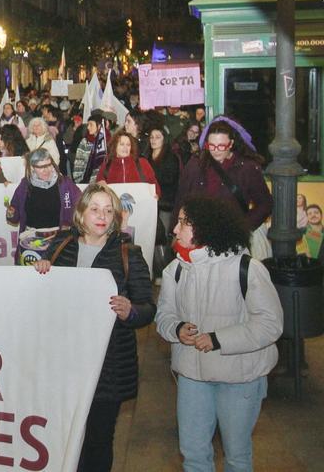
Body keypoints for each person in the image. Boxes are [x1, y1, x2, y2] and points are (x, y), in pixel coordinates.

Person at [34, 183, 155, 472]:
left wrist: (131, 311)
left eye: (109, 210)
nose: (102, 216)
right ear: (81, 213)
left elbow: (147, 308)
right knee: (63, 437)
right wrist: (40, 272)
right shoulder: (62, 244)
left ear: (116, 217)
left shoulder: (129, 253)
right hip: (64, 362)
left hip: (108, 365)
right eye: (95, 209)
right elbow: (42, 299)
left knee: (98, 440)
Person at [155, 196, 282, 472]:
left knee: (236, 456)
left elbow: (270, 325)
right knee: (193, 455)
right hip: (192, 377)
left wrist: (217, 339)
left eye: (183, 222)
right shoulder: (175, 270)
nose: (175, 230)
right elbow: (164, 316)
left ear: (206, 227)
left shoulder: (247, 268)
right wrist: (177, 329)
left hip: (241, 378)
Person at [172, 117, 273, 259]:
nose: (215, 151)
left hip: (231, 242)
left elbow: (265, 204)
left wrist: (243, 227)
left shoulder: (247, 168)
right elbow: (181, 199)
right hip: (197, 240)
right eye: (211, 146)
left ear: (231, 143)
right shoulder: (196, 165)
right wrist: (177, 228)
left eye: (221, 146)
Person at [7, 148, 82, 265]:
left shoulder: (65, 183)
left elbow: (82, 206)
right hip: (30, 242)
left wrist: (70, 225)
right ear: (32, 167)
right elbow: (13, 217)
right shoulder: (25, 185)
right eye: (41, 167)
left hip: (59, 242)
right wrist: (10, 212)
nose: (46, 170)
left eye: (48, 165)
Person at [95, 132, 161, 196]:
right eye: (122, 144)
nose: (125, 147)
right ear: (115, 146)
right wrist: (100, 184)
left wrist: (156, 195)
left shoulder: (143, 163)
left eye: (128, 145)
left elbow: (155, 186)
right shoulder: (107, 165)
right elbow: (98, 185)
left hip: (139, 206)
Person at [72, 113, 108, 184]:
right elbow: (78, 163)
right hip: (85, 182)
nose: (88, 127)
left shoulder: (107, 142)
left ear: (99, 126)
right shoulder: (85, 142)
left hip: (102, 182)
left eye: (91, 125)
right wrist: (79, 181)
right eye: (88, 124)